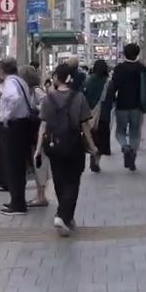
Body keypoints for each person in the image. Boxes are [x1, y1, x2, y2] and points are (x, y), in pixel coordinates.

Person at [35, 62, 96, 236]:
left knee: (60, 181)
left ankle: (65, 217)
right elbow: (85, 126)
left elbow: (43, 126)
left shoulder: (48, 99)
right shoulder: (79, 98)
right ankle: (63, 215)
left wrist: (38, 149)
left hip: (54, 146)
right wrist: (92, 146)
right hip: (74, 145)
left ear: (55, 78)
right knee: (73, 181)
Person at [0, 57, 34, 215]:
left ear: (2, 70)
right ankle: (17, 200)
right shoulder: (20, 81)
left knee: (12, 166)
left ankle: (17, 204)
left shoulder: (10, 82)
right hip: (23, 125)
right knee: (18, 166)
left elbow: (14, 98)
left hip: (13, 127)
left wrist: (6, 115)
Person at [106, 43, 146, 171]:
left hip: (122, 105)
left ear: (124, 53)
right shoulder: (142, 69)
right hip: (137, 106)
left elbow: (113, 87)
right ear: (137, 53)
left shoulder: (119, 69)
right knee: (135, 133)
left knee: (120, 132)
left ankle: (125, 147)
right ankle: (133, 155)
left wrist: (111, 101)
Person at [21, 65, 50, 208]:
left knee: (40, 163)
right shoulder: (31, 91)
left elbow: (46, 109)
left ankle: (42, 196)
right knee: (38, 163)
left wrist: (35, 110)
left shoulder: (37, 91)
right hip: (35, 132)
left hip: (40, 133)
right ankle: (39, 195)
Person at [83, 59, 112, 171]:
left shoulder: (88, 81)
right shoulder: (109, 82)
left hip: (90, 114)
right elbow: (111, 100)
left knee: (92, 137)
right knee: (101, 139)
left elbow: (84, 97)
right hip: (104, 115)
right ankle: (96, 160)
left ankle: (92, 153)